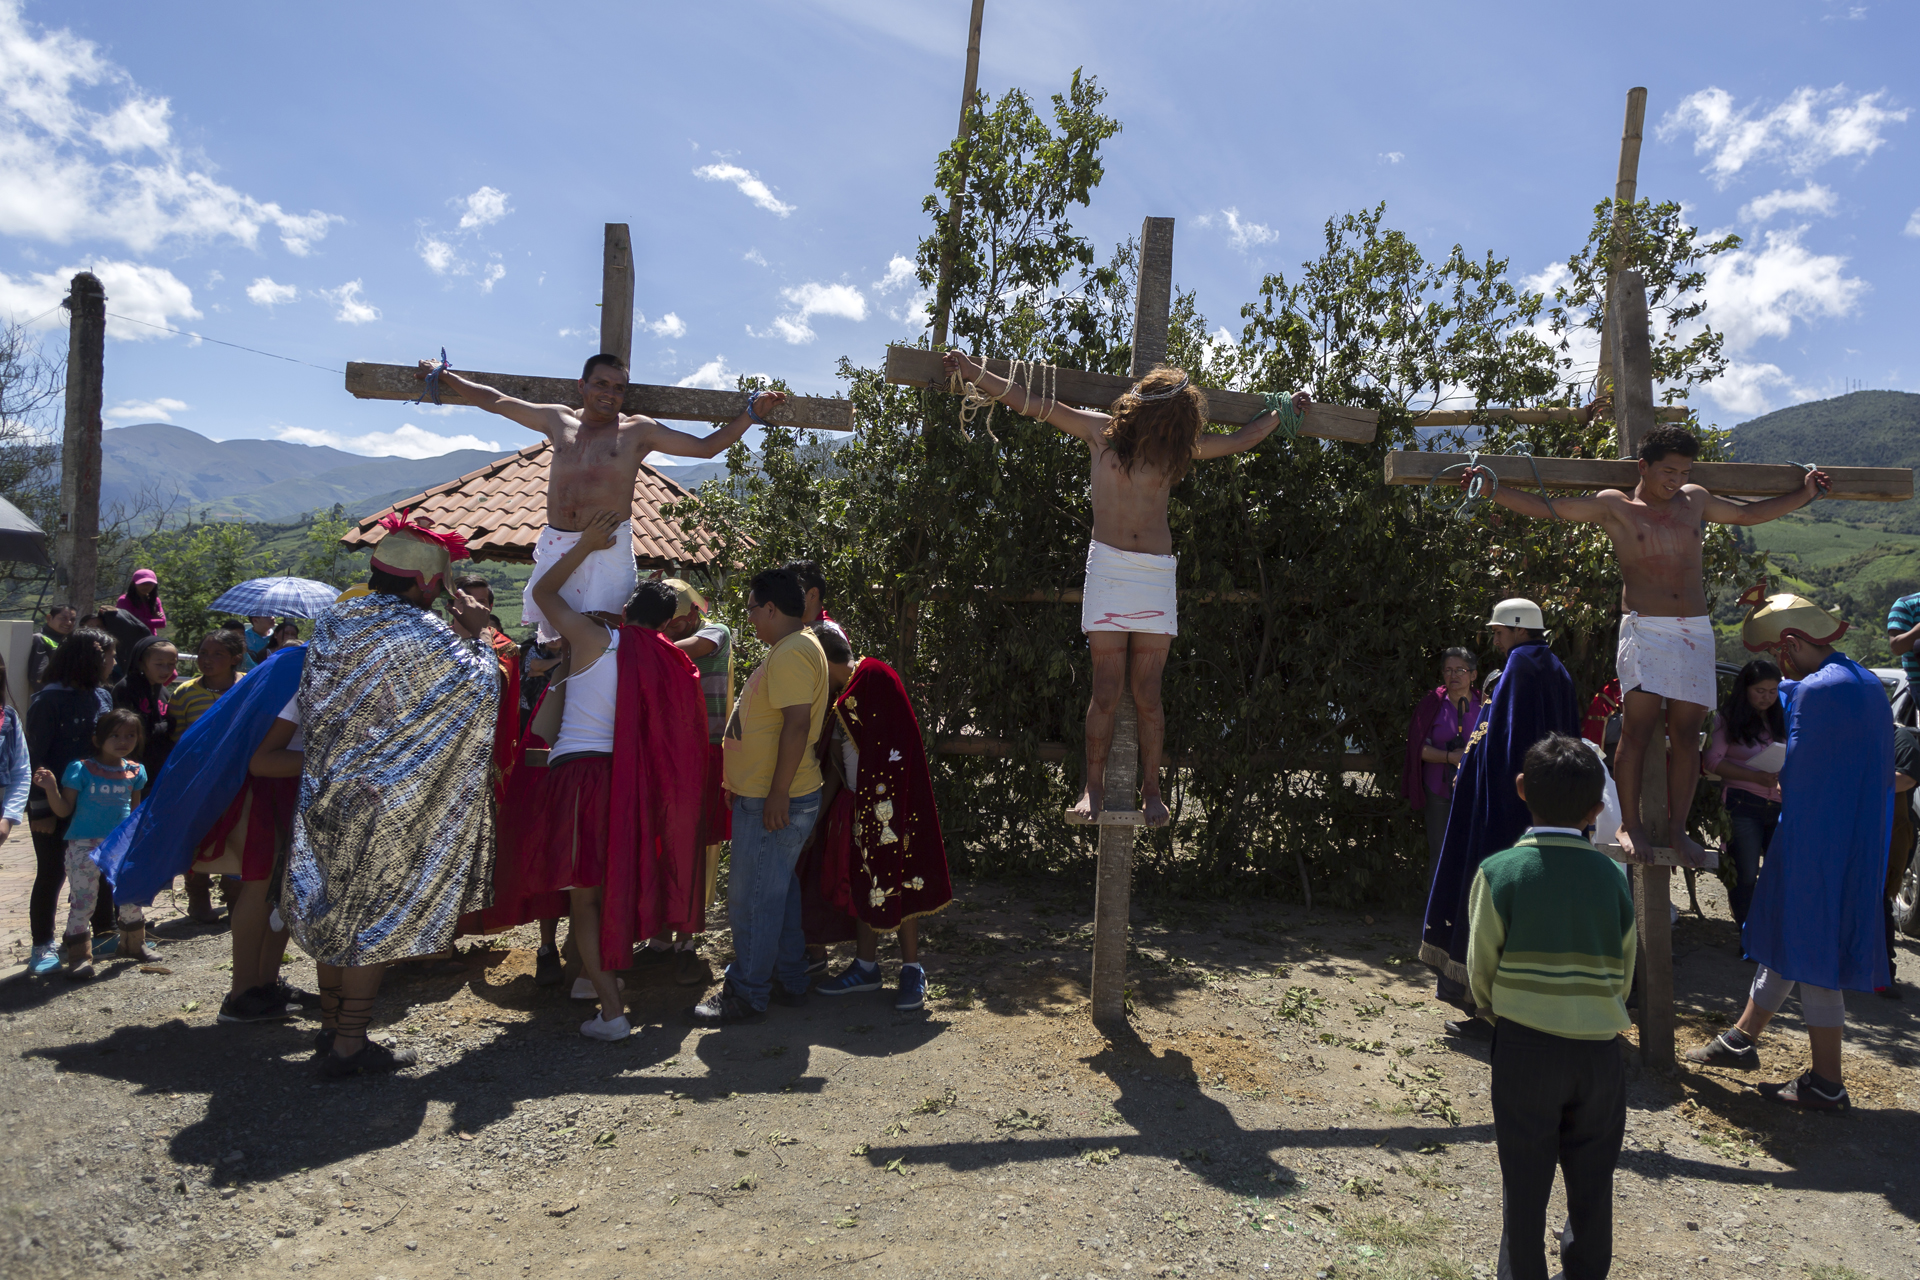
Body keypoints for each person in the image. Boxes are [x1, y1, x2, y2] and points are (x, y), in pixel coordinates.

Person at [941, 350, 1310, 827]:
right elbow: (1029, 402)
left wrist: (1284, 412)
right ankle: (1091, 790)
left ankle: (1151, 791)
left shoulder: (1175, 451)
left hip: (1155, 574)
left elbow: (1240, 439)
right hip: (1110, 570)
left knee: (1149, 694)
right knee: (1107, 690)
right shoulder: (1100, 432)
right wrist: (973, 372)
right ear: (1145, 409)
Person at [1462, 427, 1827, 868]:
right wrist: (1490, 489)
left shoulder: (1695, 500)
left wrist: (1805, 494)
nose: (1676, 479)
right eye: (1668, 470)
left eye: (1683, 471)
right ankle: (1629, 824)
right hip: (1645, 627)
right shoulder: (1616, 506)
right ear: (1644, 466)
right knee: (1636, 731)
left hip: (1693, 628)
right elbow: (1550, 508)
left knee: (1688, 738)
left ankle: (1678, 830)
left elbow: (1749, 514)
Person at [283, 513, 500, 1078]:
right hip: (382, 802)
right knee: (367, 918)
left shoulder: (334, 621)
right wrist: (477, 634)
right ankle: (351, 1044)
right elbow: (479, 688)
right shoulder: (425, 634)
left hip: (325, 792)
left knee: (331, 909)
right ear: (428, 585)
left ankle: (332, 1031)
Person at [1684, 589, 1892, 1110]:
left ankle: (1826, 1083)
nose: (1782, 665)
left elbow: (1795, 768)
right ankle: (1741, 1038)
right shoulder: (1867, 683)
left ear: (1796, 641)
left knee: (1811, 946)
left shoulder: (1818, 690)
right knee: (1793, 936)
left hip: (1815, 835)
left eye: (1783, 652)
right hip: (1856, 835)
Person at [418, 354, 786, 642]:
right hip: (558, 542)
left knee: (607, 636)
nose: (610, 393)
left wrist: (751, 415)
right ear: (582, 385)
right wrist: (445, 376)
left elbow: (706, 448)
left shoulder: (637, 431)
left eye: (619, 387)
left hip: (608, 547)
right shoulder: (558, 420)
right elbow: (497, 401)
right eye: (601, 384)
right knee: (556, 641)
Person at [505, 524, 707, 1038]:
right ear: (670, 622)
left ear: (624, 608)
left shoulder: (598, 640)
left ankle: (611, 1010)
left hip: (581, 778)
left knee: (584, 901)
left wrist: (585, 547)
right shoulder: (671, 659)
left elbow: (543, 593)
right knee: (609, 889)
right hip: (627, 786)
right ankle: (605, 994)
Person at [1468, 733, 1634, 1280]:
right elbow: (1625, 971)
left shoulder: (1500, 872)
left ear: (1521, 789)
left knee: (1525, 1177)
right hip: (1600, 1054)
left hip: (1524, 1047)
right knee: (1593, 1179)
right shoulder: (1612, 878)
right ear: (1596, 810)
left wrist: (1504, 1014)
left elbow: (1480, 970)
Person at [1421, 599, 1580, 1035]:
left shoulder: (1520, 668)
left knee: (1491, 908)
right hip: (1546, 813)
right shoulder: (1556, 669)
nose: (1494, 638)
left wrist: (1488, 801)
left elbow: (1505, 749)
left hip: (1504, 814)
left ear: (1517, 629)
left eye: (1498, 631)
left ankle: (1490, 1012)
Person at [689, 567, 830, 1026]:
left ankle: (747, 993)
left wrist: (776, 795)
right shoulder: (796, 646)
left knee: (752, 898)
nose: (749, 617)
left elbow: (795, 725)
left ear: (771, 608)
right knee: (778, 892)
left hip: (777, 799)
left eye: (752, 608)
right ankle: (789, 978)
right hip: (769, 794)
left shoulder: (790, 653)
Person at [806, 622, 954, 1010]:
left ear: (823, 663)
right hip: (859, 806)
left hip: (894, 805)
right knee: (865, 882)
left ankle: (911, 969)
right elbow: (838, 769)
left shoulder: (875, 677)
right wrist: (817, 820)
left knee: (902, 878)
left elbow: (897, 747)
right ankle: (866, 967)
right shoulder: (843, 695)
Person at [633, 576, 732, 986]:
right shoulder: (664, 638)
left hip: (706, 752)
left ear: (692, 612)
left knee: (694, 848)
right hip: (667, 752)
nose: (668, 629)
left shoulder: (715, 632)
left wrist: (639, 640)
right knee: (659, 842)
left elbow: (679, 650)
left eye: (673, 621)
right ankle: (659, 940)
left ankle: (687, 940)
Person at [24, 628, 118, 977]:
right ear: (89, 659)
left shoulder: (102, 697)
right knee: (52, 872)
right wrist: (42, 808)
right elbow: (36, 758)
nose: (114, 662)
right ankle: (42, 944)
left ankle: (102, 933)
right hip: (54, 802)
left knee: (101, 865)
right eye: (108, 656)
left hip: (96, 803)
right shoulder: (47, 701)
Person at [35, 708, 151, 976]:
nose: (123, 741)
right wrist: (51, 788)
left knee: (130, 894)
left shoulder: (136, 772)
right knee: (83, 900)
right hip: (84, 845)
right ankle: (78, 957)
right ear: (97, 739)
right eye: (115, 735)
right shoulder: (81, 769)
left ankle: (134, 944)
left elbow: (134, 814)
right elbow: (64, 810)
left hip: (121, 845)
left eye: (130, 735)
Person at [1701, 659, 1785, 927]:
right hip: (1742, 803)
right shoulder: (1726, 719)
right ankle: (1747, 935)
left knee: (1780, 874)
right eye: (1761, 690)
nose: (1767, 697)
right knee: (1746, 874)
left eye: (1773, 691)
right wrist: (1755, 776)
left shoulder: (1781, 718)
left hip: (1780, 805)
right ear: (1745, 688)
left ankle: (1770, 936)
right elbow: (1711, 761)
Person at [171, 629, 247, 922]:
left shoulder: (249, 687)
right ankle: (198, 894)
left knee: (236, 833)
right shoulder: (185, 692)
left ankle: (235, 896)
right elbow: (178, 739)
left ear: (235, 658)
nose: (207, 660)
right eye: (203, 652)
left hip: (239, 777)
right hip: (196, 780)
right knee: (198, 835)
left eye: (217, 654)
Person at [1403, 648, 1483, 888]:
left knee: (1475, 850)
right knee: (1440, 851)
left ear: (1473, 674)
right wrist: (1450, 757)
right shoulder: (1432, 705)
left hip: (1476, 789)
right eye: (1448, 670)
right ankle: (1436, 916)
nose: (1453, 675)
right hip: (1439, 790)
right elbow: (1419, 749)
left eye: (1460, 670)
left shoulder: (1486, 706)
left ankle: (1471, 913)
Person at [113, 635, 179, 781]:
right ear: (142, 663)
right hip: (132, 770)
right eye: (159, 664)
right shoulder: (127, 689)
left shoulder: (162, 691)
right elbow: (136, 733)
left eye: (171, 664)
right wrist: (168, 725)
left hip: (158, 768)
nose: (166, 669)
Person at [28, 604, 75, 695]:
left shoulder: (72, 641)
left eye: (72, 619)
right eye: (63, 618)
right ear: (49, 618)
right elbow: (39, 676)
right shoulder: (40, 639)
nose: (68, 623)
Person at [116, 569, 167, 636]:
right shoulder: (124, 600)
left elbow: (162, 623)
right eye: (142, 583)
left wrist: (140, 619)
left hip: (150, 638)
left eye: (150, 584)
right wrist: (153, 620)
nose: (146, 587)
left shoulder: (155, 600)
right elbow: (127, 623)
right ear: (133, 584)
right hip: (130, 639)